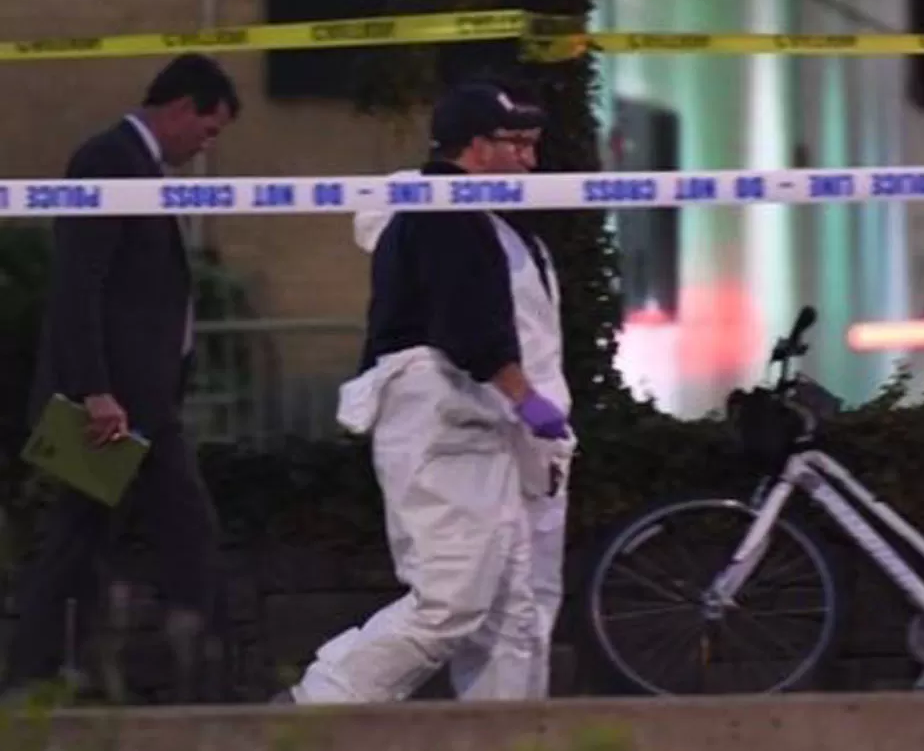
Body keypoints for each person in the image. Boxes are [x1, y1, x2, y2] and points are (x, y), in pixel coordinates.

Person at [279, 80, 573, 704]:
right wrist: (528, 400)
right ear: (474, 145)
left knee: (509, 609)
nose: (530, 159)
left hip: (477, 434)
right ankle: (319, 707)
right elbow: (472, 329)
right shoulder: (446, 214)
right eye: (516, 143)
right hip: (450, 431)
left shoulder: (477, 221)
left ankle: (508, 740)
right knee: (453, 602)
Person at [2, 54, 241, 700]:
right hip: (116, 408)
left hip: (139, 402)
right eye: (209, 129)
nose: (206, 145)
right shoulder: (107, 161)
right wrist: (96, 391)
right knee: (183, 531)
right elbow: (79, 286)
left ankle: (40, 677)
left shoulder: (139, 168)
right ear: (182, 107)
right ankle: (209, 684)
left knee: (79, 539)